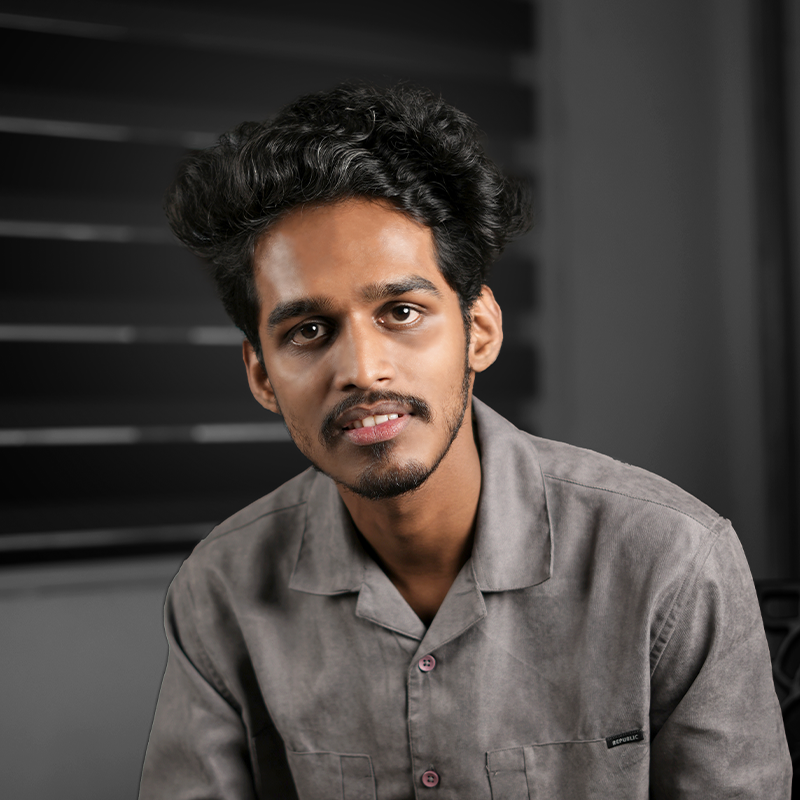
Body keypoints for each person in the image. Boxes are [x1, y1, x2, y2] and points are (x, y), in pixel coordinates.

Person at [139, 83, 790, 799]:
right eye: (309, 330)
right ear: (263, 374)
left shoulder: (672, 561)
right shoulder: (221, 589)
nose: (362, 370)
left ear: (479, 329)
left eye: (402, 311)